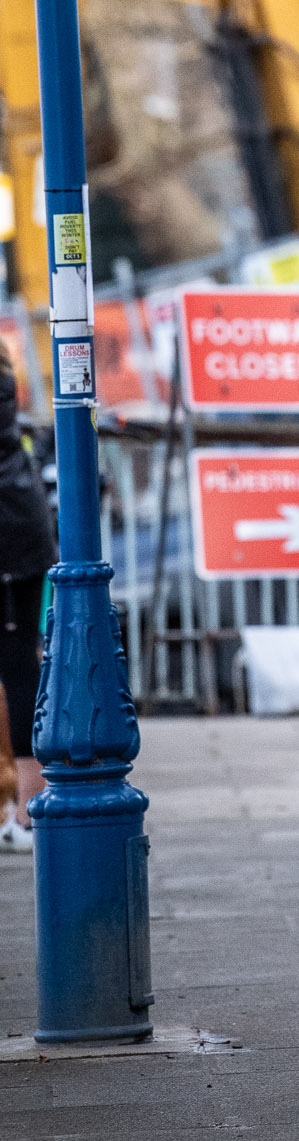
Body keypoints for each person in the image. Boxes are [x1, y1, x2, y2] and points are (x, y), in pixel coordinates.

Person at [0, 338, 56, 851]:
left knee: (18, 669)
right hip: (20, 525)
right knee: (19, 667)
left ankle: (28, 812)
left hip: (10, 537)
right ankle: (22, 810)